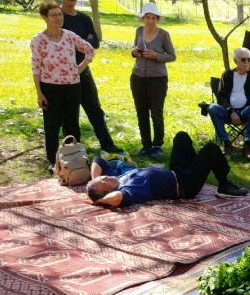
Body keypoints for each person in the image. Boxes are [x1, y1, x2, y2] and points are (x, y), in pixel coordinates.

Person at [87, 131, 248, 207]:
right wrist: (100, 201)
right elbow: (116, 199)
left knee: (181, 137)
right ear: (108, 192)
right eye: (105, 183)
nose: (106, 178)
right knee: (211, 148)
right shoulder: (127, 190)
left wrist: (95, 180)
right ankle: (224, 185)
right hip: (186, 186)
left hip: (177, 171)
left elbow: (98, 160)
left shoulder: (115, 177)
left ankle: (201, 166)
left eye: (103, 178)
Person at [30, 0, 95, 173]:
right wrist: (39, 93)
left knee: (72, 124)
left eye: (60, 14)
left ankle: (74, 159)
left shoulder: (69, 36)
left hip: (72, 87)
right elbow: (36, 67)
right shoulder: (38, 40)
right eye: (54, 15)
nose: (58, 18)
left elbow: (89, 49)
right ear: (45, 17)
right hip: (50, 88)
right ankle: (53, 160)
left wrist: (80, 68)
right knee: (52, 125)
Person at [60, 0, 122, 153]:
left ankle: (107, 143)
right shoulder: (57, 16)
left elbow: (95, 41)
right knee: (70, 113)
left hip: (84, 70)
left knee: (94, 108)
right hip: (63, 74)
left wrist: (81, 43)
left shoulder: (84, 19)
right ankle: (73, 149)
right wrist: (82, 41)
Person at [207, 47, 250, 162]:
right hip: (228, 112)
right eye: (244, 60)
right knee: (212, 107)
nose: (247, 62)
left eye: (249, 60)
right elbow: (221, 97)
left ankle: (247, 145)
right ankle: (227, 142)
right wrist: (231, 111)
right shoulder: (227, 75)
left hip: (245, 112)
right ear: (235, 61)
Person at [130, 2, 176, 158]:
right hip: (138, 77)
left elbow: (172, 56)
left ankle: (157, 146)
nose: (150, 21)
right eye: (147, 17)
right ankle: (146, 145)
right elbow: (133, 47)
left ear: (157, 19)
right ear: (143, 19)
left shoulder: (164, 34)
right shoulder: (138, 31)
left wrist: (156, 56)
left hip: (157, 79)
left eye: (153, 18)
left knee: (156, 113)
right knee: (141, 112)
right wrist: (134, 52)